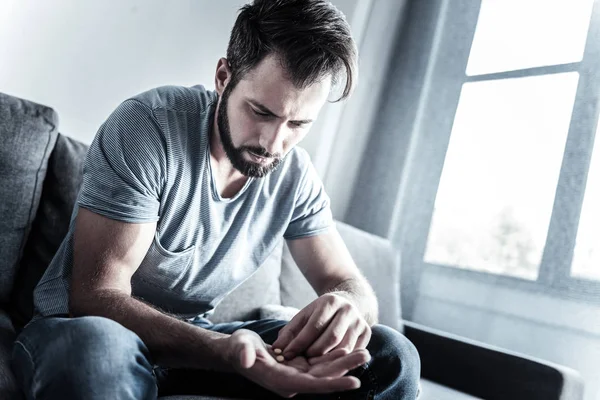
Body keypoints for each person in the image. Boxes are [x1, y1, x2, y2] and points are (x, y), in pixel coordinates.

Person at [11, 0, 420, 398]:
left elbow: (346, 282)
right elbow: (96, 296)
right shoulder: (148, 128)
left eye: (298, 123)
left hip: (204, 342)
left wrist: (349, 305)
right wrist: (224, 353)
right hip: (88, 329)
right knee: (95, 354)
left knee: (390, 354)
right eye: (261, 111)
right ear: (224, 76)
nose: (273, 142)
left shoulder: (295, 176)